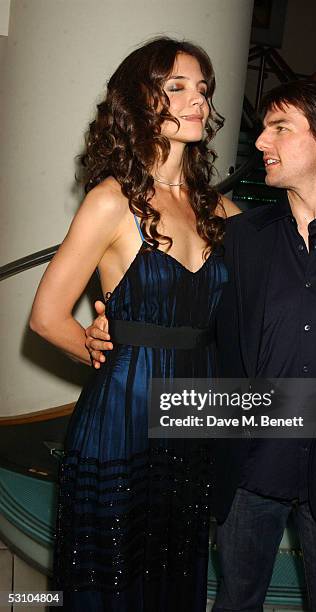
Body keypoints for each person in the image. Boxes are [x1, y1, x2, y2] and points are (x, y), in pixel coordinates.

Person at [87, 80, 316, 612]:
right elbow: (192, 321)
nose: (259, 142)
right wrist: (118, 328)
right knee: (235, 602)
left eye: (280, 128)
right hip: (247, 468)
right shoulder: (238, 237)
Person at [30, 36, 239, 612]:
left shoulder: (219, 208)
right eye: (177, 88)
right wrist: (102, 352)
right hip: (123, 418)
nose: (197, 100)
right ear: (142, 102)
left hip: (195, 417)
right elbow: (47, 316)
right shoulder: (111, 200)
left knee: (174, 571)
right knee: (116, 580)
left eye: (202, 89)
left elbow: (293, 253)